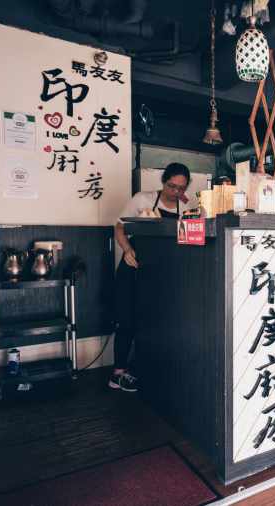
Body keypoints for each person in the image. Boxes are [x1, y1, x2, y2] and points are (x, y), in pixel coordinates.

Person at [109, 162, 192, 392]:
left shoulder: (186, 206)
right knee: (127, 318)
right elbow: (119, 228)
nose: (175, 192)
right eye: (171, 186)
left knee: (153, 319)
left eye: (180, 188)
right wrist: (126, 250)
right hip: (134, 262)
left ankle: (143, 368)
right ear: (163, 181)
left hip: (163, 269)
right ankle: (118, 373)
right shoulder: (143, 199)